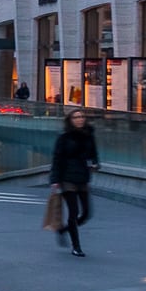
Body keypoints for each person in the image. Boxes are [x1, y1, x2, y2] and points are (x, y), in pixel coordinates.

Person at [49, 108, 100, 257]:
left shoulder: (89, 135)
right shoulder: (64, 137)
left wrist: (95, 164)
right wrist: (55, 180)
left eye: (82, 116)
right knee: (74, 212)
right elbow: (57, 159)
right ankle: (76, 246)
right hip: (67, 177)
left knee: (86, 214)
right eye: (76, 117)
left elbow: (94, 154)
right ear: (70, 120)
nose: (80, 119)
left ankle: (64, 230)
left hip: (83, 176)